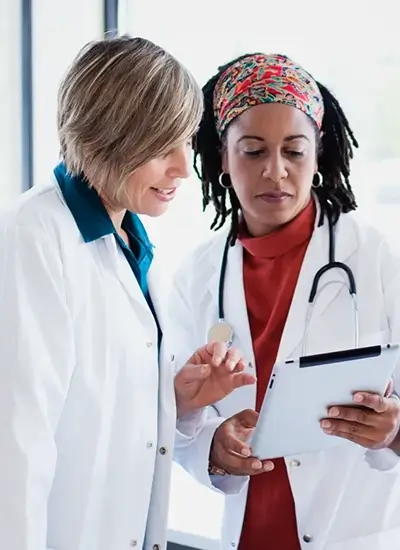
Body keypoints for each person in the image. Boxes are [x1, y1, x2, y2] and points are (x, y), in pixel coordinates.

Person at [0, 36, 256, 550]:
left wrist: (177, 400)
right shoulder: (35, 237)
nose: (184, 167)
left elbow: (104, 410)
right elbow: (16, 446)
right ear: (109, 137)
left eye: (185, 141)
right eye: (165, 147)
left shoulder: (131, 241)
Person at [171, 53, 400, 550]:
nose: (275, 172)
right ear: (221, 157)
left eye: (294, 151)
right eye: (253, 152)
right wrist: (214, 445)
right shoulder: (197, 276)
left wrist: (392, 429)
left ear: (317, 154)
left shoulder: (377, 256)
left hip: (352, 533)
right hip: (250, 532)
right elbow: (177, 416)